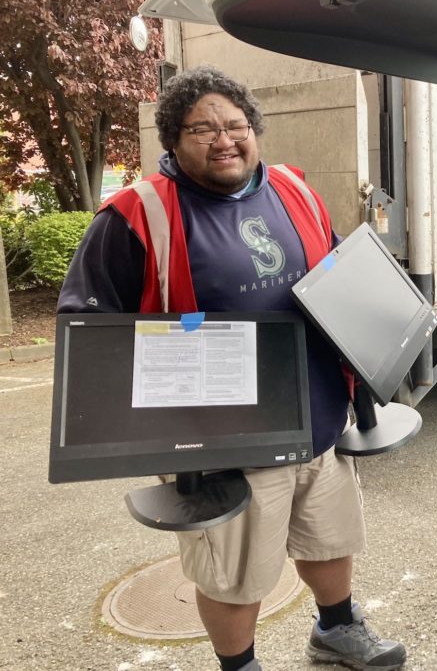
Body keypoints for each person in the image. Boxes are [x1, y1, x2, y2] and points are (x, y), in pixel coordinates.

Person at [58, 66, 406, 671]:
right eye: (202, 129)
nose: (224, 140)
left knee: (330, 536)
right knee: (233, 574)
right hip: (222, 442)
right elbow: (88, 333)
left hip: (318, 413)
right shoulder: (134, 216)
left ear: (255, 130)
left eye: (236, 125)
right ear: (172, 139)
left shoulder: (294, 189)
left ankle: (336, 629)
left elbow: (339, 277)